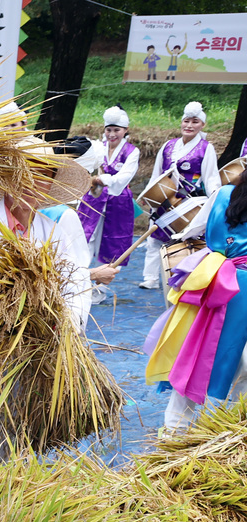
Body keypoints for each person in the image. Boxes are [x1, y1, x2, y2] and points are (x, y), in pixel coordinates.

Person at [0, 144, 104, 450]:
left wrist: (64, 323)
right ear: (6, 179)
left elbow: (76, 284)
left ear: (51, 184)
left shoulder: (54, 234)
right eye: (25, 173)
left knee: (10, 438)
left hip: (28, 355)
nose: (33, 183)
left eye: (43, 175)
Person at [143, 178, 247, 433]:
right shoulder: (222, 194)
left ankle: (175, 431)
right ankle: (230, 429)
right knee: (235, 360)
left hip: (208, 279)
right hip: (232, 286)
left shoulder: (222, 194)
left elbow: (191, 230)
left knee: (193, 351)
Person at [140, 102, 220, 290]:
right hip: (163, 198)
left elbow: (211, 178)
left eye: (195, 122)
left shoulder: (205, 148)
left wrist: (215, 200)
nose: (189, 126)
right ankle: (150, 277)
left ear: (202, 125)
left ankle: (181, 277)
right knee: (154, 238)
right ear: (181, 123)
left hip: (189, 202)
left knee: (186, 240)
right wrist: (149, 195)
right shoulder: (169, 146)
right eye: (186, 121)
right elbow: (156, 173)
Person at [76, 106, 138, 282]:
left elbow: (125, 176)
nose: (112, 134)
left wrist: (104, 179)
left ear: (125, 130)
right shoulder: (97, 147)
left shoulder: (132, 151)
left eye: (116, 130)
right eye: (109, 130)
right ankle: (82, 279)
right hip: (94, 197)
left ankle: (101, 285)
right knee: (86, 236)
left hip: (118, 201)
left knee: (112, 242)